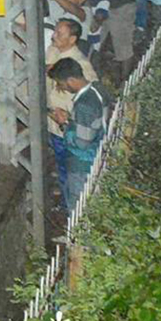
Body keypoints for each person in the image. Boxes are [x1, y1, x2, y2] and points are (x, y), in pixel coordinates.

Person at [49, 58, 109, 212]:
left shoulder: (84, 104)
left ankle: (74, 235)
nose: (61, 87)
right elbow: (92, 124)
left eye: (61, 84)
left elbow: (82, 142)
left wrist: (63, 124)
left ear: (71, 80)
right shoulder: (97, 89)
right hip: (97, 153)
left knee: (78, 205)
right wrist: (71, 119)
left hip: (83, 162)